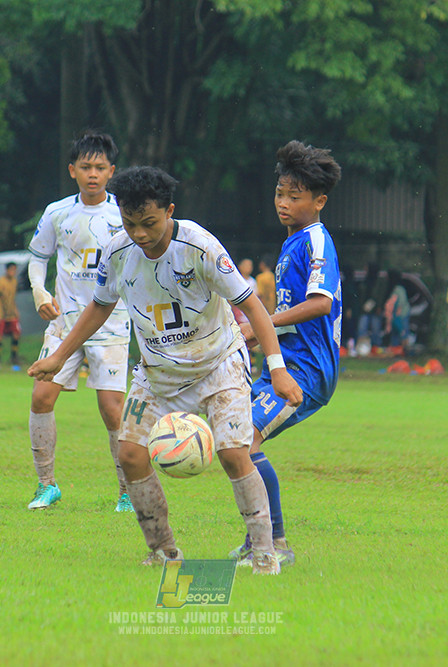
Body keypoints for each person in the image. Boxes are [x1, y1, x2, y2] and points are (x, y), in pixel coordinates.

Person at [28, 165, 302, 574]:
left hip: (218, 364)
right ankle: (164, 551)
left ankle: (264, 553)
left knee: (233, 454)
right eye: (130, 222)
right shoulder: (118, 252)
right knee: (131, 455)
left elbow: (252, 306)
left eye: (149, 223)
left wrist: (277, 368)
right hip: (157, 374)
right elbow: (99, 307)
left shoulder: (201, 247)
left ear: (169, 210)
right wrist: (59, 356)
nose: (139, 233)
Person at [228, 140, 342, 568]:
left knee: (245, 440)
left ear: (319, 201)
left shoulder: (316, 242)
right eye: (280, 193)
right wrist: (256, 336)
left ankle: (274, 543)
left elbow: (321, 302)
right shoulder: (293, 242)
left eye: (295, 196)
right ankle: (259, 537)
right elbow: (291, 313)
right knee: (239, 441)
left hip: (307, 368)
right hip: (288, 359)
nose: (284, 203)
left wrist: (262, 324)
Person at [26, 132, 132, 512]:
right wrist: (39, 290)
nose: (93, 174)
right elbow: (38, 257)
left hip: (112, 323)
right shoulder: (57, 213)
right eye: (85, 167)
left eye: (100, 167)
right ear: (72, 171)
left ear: (111, 172)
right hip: (65, 321)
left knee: (112, 408)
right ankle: (46, 485)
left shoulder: (124, 212)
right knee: (41, 397)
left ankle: (127, 491)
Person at [0, 262, 21, 367]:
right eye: (11, 269)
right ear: (7, 270)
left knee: (16, 334)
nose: (13, 272)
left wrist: (16, 310)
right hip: (1, 312)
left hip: (11, 312)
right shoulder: (0, 282)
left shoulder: (14, 282)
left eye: (14, 270)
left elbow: (13, 298)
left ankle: (14, 357)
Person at [382, 268, 410, 353]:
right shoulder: (394, 288)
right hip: (396, 315)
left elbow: (401, 302)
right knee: (396, 333)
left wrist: (397, 312)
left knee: (402, 331)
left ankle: (404, 350)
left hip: (401, 314)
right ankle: (396, 349)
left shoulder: (398, 289)